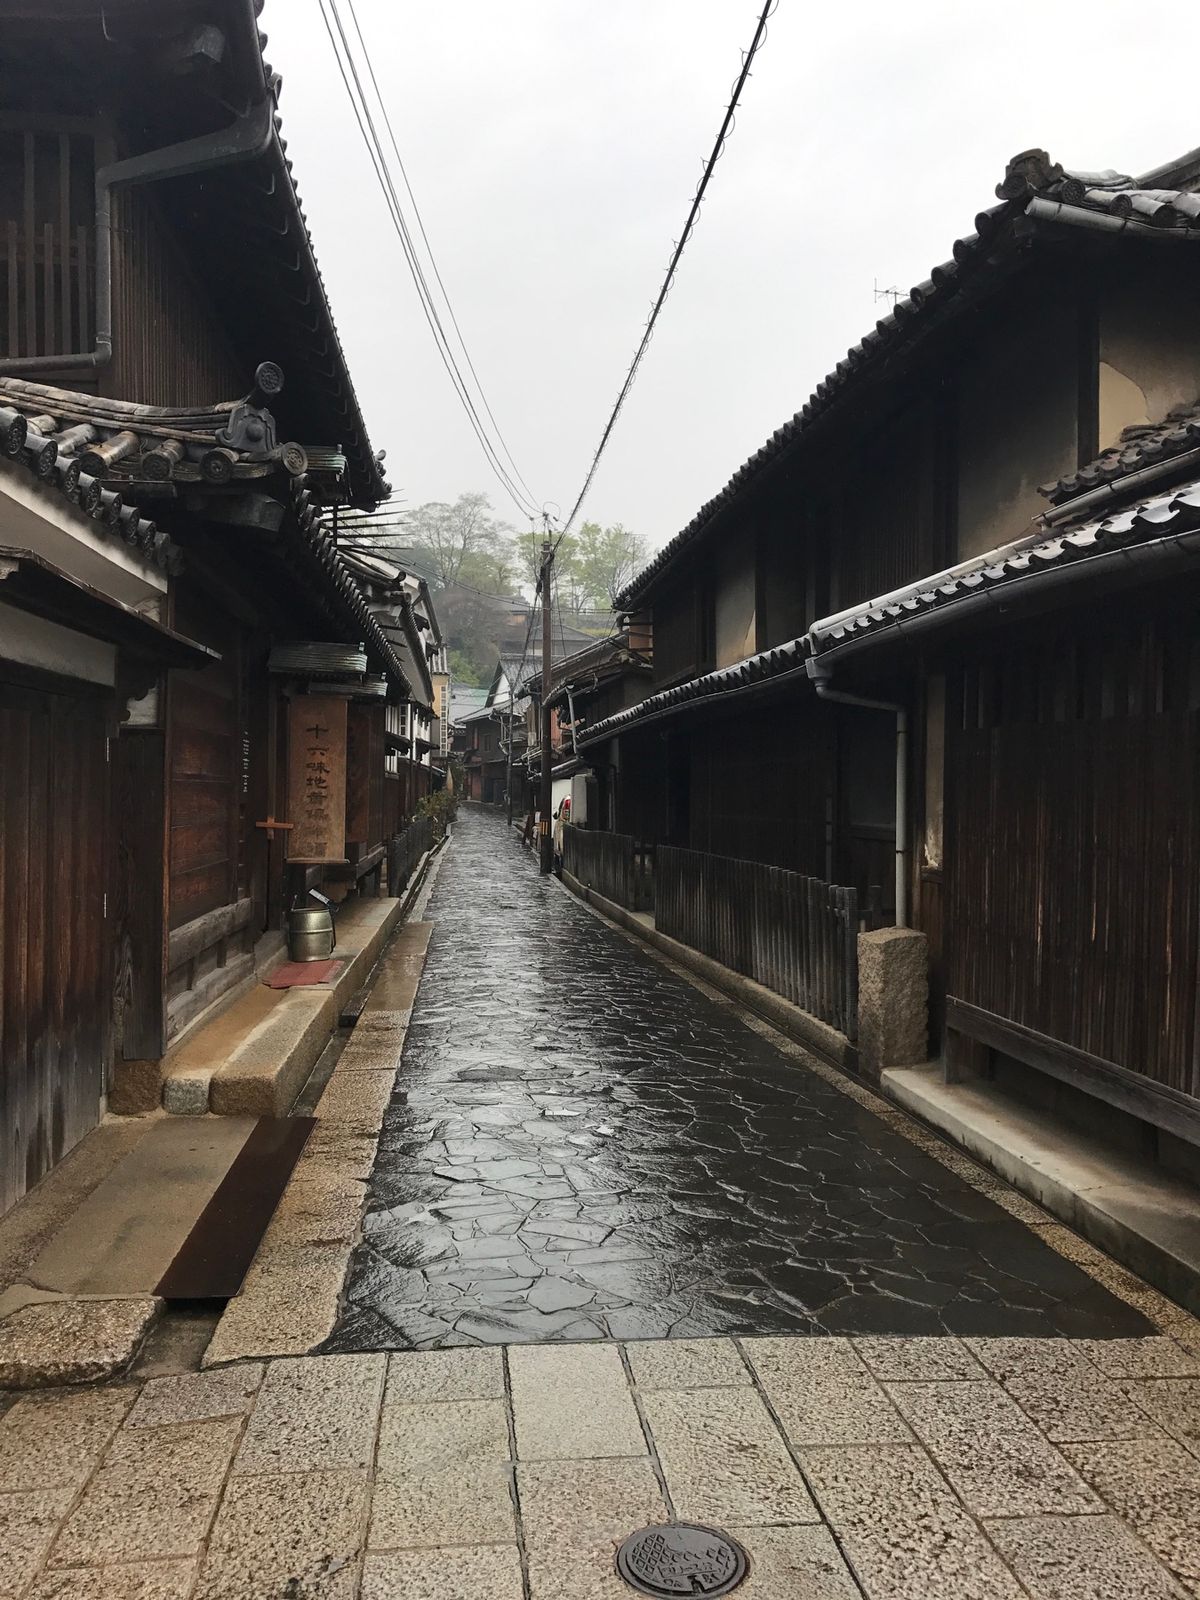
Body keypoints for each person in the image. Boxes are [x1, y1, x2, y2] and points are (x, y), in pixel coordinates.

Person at [552, 794, 571, 875]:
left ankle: (559, 867)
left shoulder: (560, 822)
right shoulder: (568, 799)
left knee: (559, 848)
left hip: (563, 826)